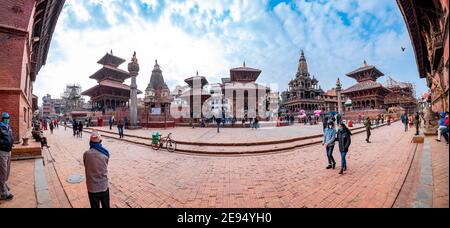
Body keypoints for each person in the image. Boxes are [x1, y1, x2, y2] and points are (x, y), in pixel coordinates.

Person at [83, 132, 110, 208]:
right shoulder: (105, 154)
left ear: (90, 143)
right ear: (100, 142)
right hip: (103, 185)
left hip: (92, 187)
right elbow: (106, 164)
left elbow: (86, 165)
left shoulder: (86, 154)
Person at [0, 112, 14, 201]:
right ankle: (3, 193)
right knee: (3, 172)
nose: (8, 119)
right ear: (2, 119)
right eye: (6, 118)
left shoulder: (8, 127)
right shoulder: (0, 127)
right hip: (2, 152)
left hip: (9, 152)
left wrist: (11, 144)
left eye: (8, 118)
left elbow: (11, 137)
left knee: (7, 171)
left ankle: (4, 184)